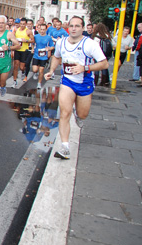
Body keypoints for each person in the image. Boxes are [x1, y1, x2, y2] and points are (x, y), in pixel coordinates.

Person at [44, 17, 108, 159]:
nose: (73, 28)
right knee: (64, 113)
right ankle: (65, 147)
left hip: (85, 83)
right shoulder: (61, 42)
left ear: (82, 28)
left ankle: (78, 114)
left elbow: (104, 64)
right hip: (67, 81)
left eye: (77, 26)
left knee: (83, 114)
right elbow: (56, 57)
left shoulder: (90, 44)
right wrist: (51, 70)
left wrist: (85, 67)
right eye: (71, 26)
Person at [31, 22, 54, 90]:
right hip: (36, 55)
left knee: (41, 70)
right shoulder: (35, 36)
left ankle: (39, 83)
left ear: (46, 30)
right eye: (41, 29)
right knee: (35, 69)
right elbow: (32, 43)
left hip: (43, 56)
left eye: (44, 29)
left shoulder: (48, 37)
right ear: (38, 29)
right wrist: (32, 48)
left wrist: (49, 48)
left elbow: (52, 46)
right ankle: (35, 73)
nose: (42, 31)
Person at [12, 18, 35, 87]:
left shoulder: (28, 31)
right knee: (15, 66)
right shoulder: (16, 30)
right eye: (21, 24)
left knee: (22, 67)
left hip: (24, 51)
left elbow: (33, 40)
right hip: (17, 50)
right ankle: (14, 81)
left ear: (26, 24)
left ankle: (23, 72)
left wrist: (26, 41)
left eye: (23, 24)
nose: (22, 25)